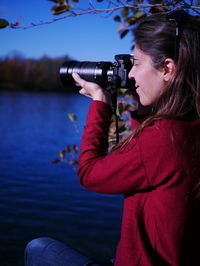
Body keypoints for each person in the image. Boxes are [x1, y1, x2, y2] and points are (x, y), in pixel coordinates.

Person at [25, 9, 200, 265]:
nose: (130, 74)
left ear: (167, 68)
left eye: (137, 63)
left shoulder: (165, 138)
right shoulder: (188, 124)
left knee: (38, 248)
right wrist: (142, 102)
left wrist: (100, 103)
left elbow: (89, 174)